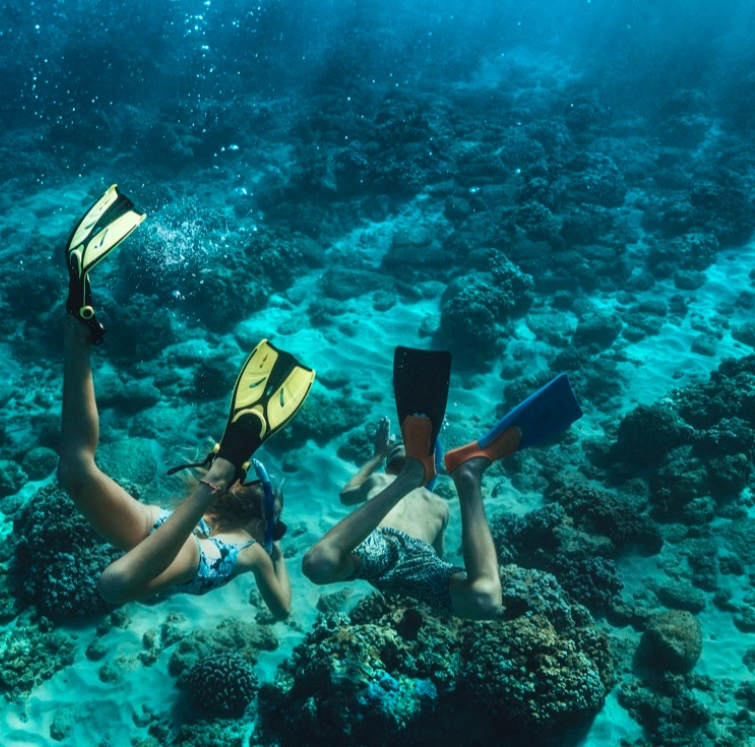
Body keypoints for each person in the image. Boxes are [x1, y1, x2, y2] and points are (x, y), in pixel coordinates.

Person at [56, 185, 315, 619]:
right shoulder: (251, 549)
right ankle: (218, 475)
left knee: (76, 469)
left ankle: (76, 337)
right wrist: (278, 551)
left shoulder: (219, 522)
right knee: (113, 585)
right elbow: (283, 608)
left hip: (160, 523)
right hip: (195, 552)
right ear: (262, 520)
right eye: (277, 522)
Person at [303, 347, 582, 620]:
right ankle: (438, 475)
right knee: (317, 565)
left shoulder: (435, 503)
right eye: (395, 449)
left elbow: (438, 556)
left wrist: (381, 459)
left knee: (484, 601)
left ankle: (468, 476)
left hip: (417, 562)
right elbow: (346, 496)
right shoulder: (382, 480)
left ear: (430, 468)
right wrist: (378, 458)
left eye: (404, 446)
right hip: (379, 548)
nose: (397, 446)